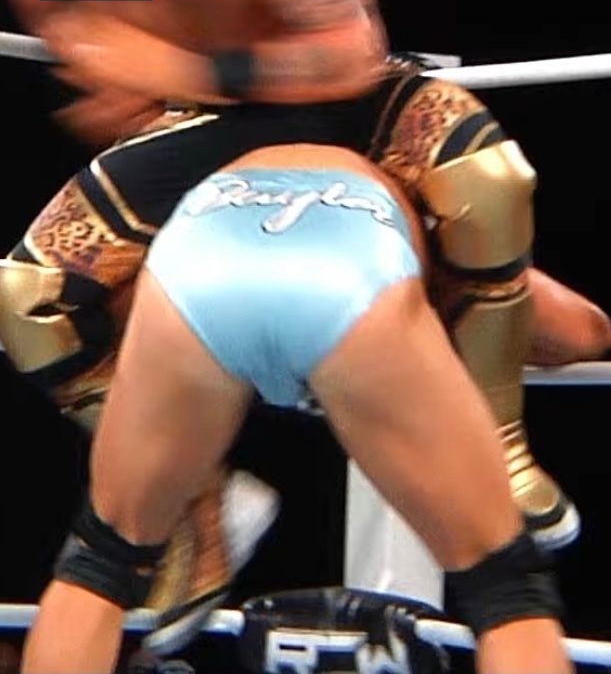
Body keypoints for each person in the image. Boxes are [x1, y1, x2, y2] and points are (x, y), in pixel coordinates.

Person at [1, 0, 609, 650]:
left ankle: (499, 447)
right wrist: (82, 12)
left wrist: (179, 66)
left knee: (506, 209)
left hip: (362, 110)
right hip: (220, 132)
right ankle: (197, 504)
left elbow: (346, 57)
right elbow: (95, 11)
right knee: (28, 297)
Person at [20, 143, 573, 674]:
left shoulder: (212, 143)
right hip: (352, 254)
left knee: (100, 561)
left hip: (201, 238)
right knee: (506, 588)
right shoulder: (435, 197)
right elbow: (574, 327)